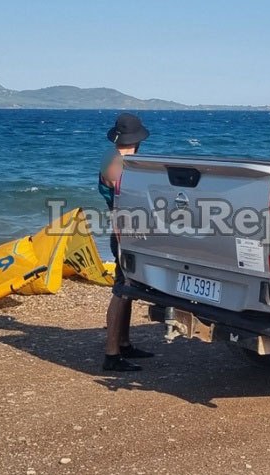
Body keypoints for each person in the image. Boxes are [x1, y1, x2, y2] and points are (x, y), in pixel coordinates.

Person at [100, 113, 154, 372]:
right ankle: (111, 353)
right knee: (121, 290)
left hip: (127, 232)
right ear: (137, 140)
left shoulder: (123, 161)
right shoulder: (115, 165)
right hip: (122, 234)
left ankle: (123, 343)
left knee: (128, 289)